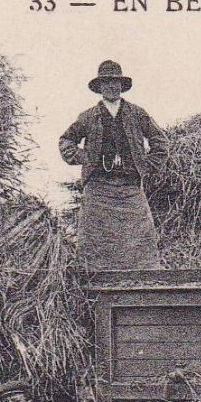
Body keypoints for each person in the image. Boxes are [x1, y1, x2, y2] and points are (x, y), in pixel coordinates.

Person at [58, 60, 170, 271]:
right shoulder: (88, 117)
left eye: (115, 82)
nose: (111, 86)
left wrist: (148, 165)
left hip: (130, 187)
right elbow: (66, 140)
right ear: (99, 87)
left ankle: (144, 278)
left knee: (140, 234)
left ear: (122, 85)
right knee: (94, 236)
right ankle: (94, 276)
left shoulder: (137, 114)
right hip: (98, 188)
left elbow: (160, 141)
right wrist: (83, 157)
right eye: (106, 82)